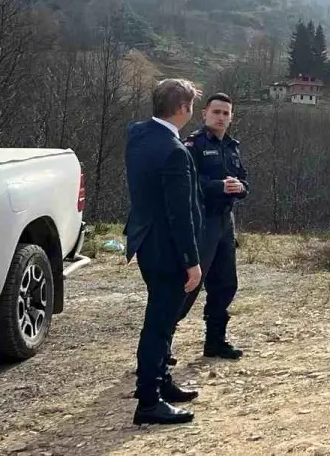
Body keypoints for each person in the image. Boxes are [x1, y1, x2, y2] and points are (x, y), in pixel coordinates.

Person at [124, 79, 204, 426]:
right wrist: (192, 261)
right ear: (183, 108)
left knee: (164, 318)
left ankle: (163, 382)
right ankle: (148, 400)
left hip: (144, 239)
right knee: (159, 323)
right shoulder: (175, 150)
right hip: (167, 248)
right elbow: (180, 213)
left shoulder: (137, 134)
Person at [178, 92, 248, 360]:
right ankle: (162, 346)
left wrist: (240, 187)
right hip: (201, 222)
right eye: (216, 112)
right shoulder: (192, 146)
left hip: (225, 223)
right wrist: (218, 186)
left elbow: (244, 181)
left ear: (232, 118)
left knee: (225, 284)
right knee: (188, 285)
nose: (221, 117)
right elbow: (187, 186)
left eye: (226, 113)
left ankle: (215, 341)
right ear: (204, 114)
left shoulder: (232, 146)